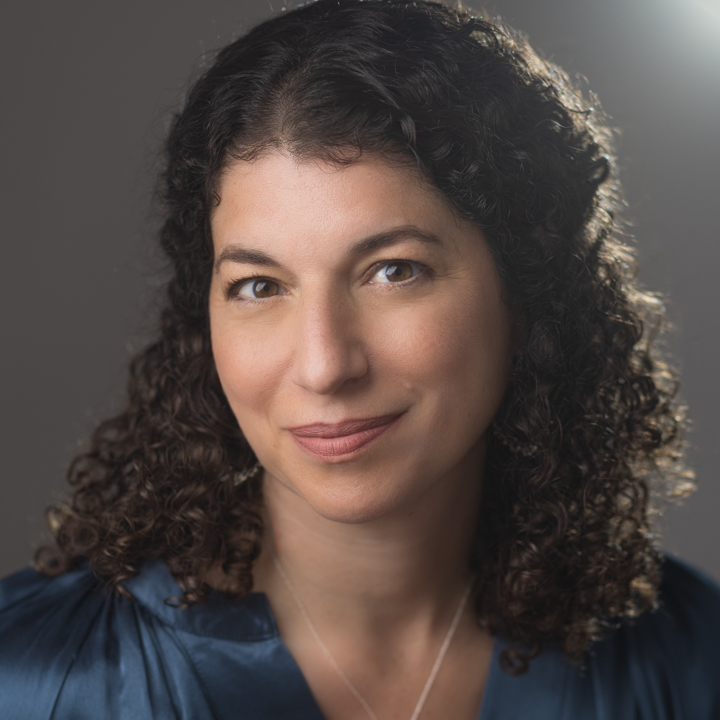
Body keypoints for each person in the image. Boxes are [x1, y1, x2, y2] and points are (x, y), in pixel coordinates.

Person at [1, 0, 718, 717]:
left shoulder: (689, 665)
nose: (323, 364)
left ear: (528, 287)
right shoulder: (41, 682)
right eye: (258, 286)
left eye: (393, 271)